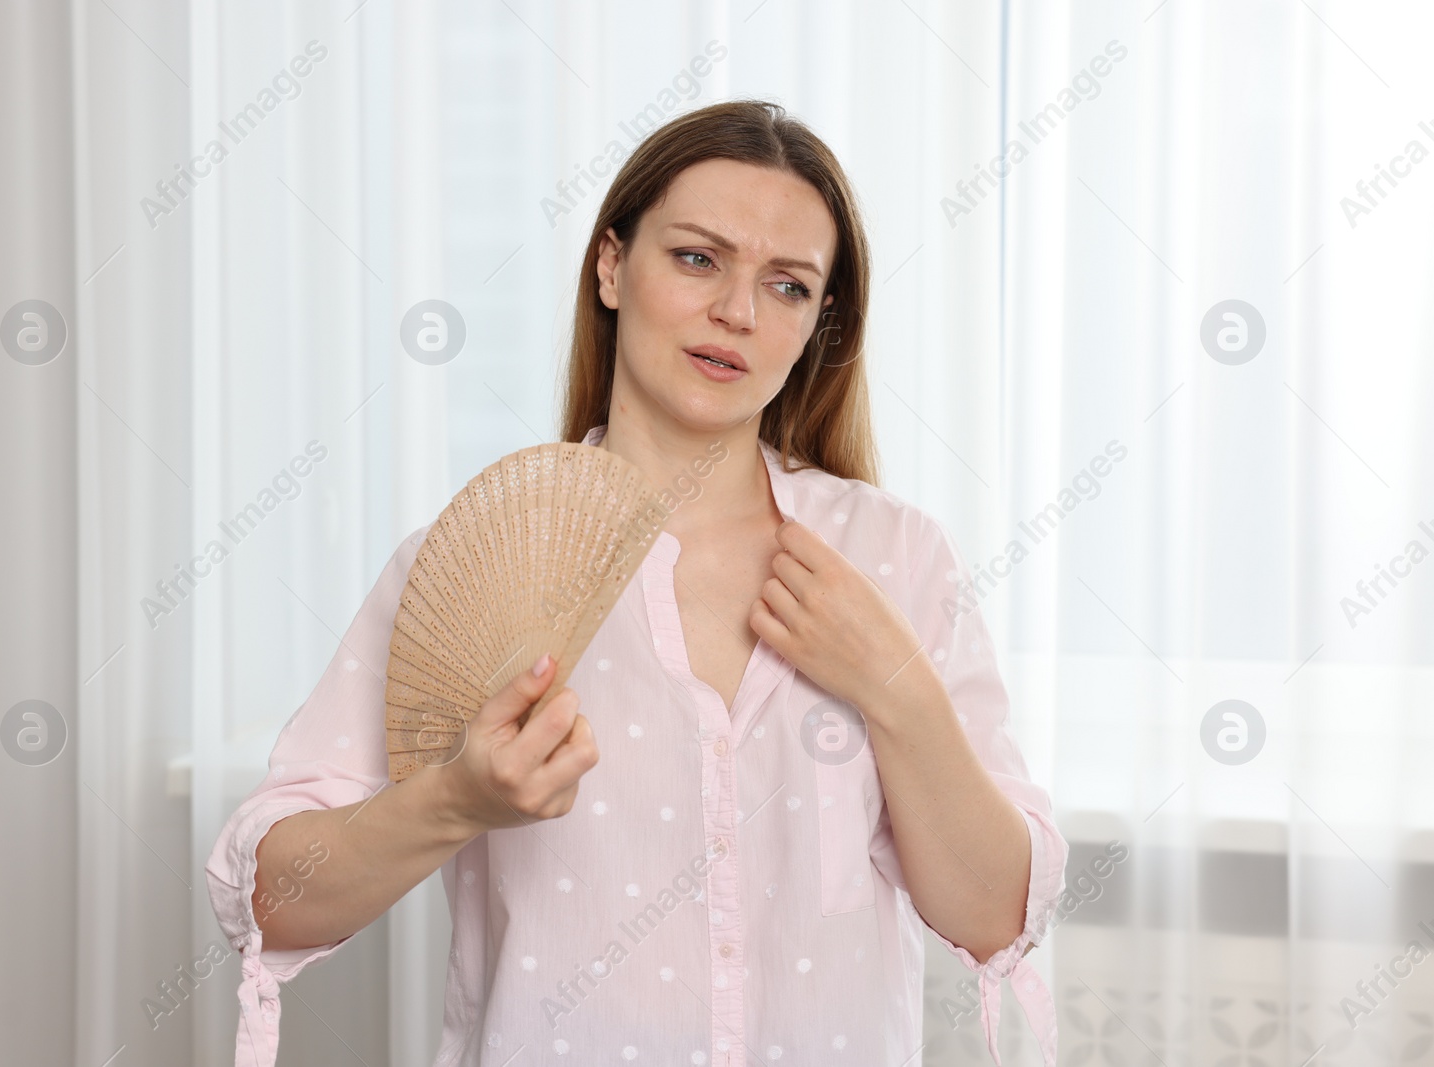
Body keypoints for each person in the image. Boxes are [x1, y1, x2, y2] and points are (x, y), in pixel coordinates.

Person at [205, 98, 1067, 1067]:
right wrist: (454, 800)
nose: (737, 311)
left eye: (785, 285)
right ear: (612, 266)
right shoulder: (478, 560)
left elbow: (995, 916)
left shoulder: (895, 557)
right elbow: (272, 897)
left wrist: (896, 688)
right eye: (697, 258)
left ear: (817, 323)